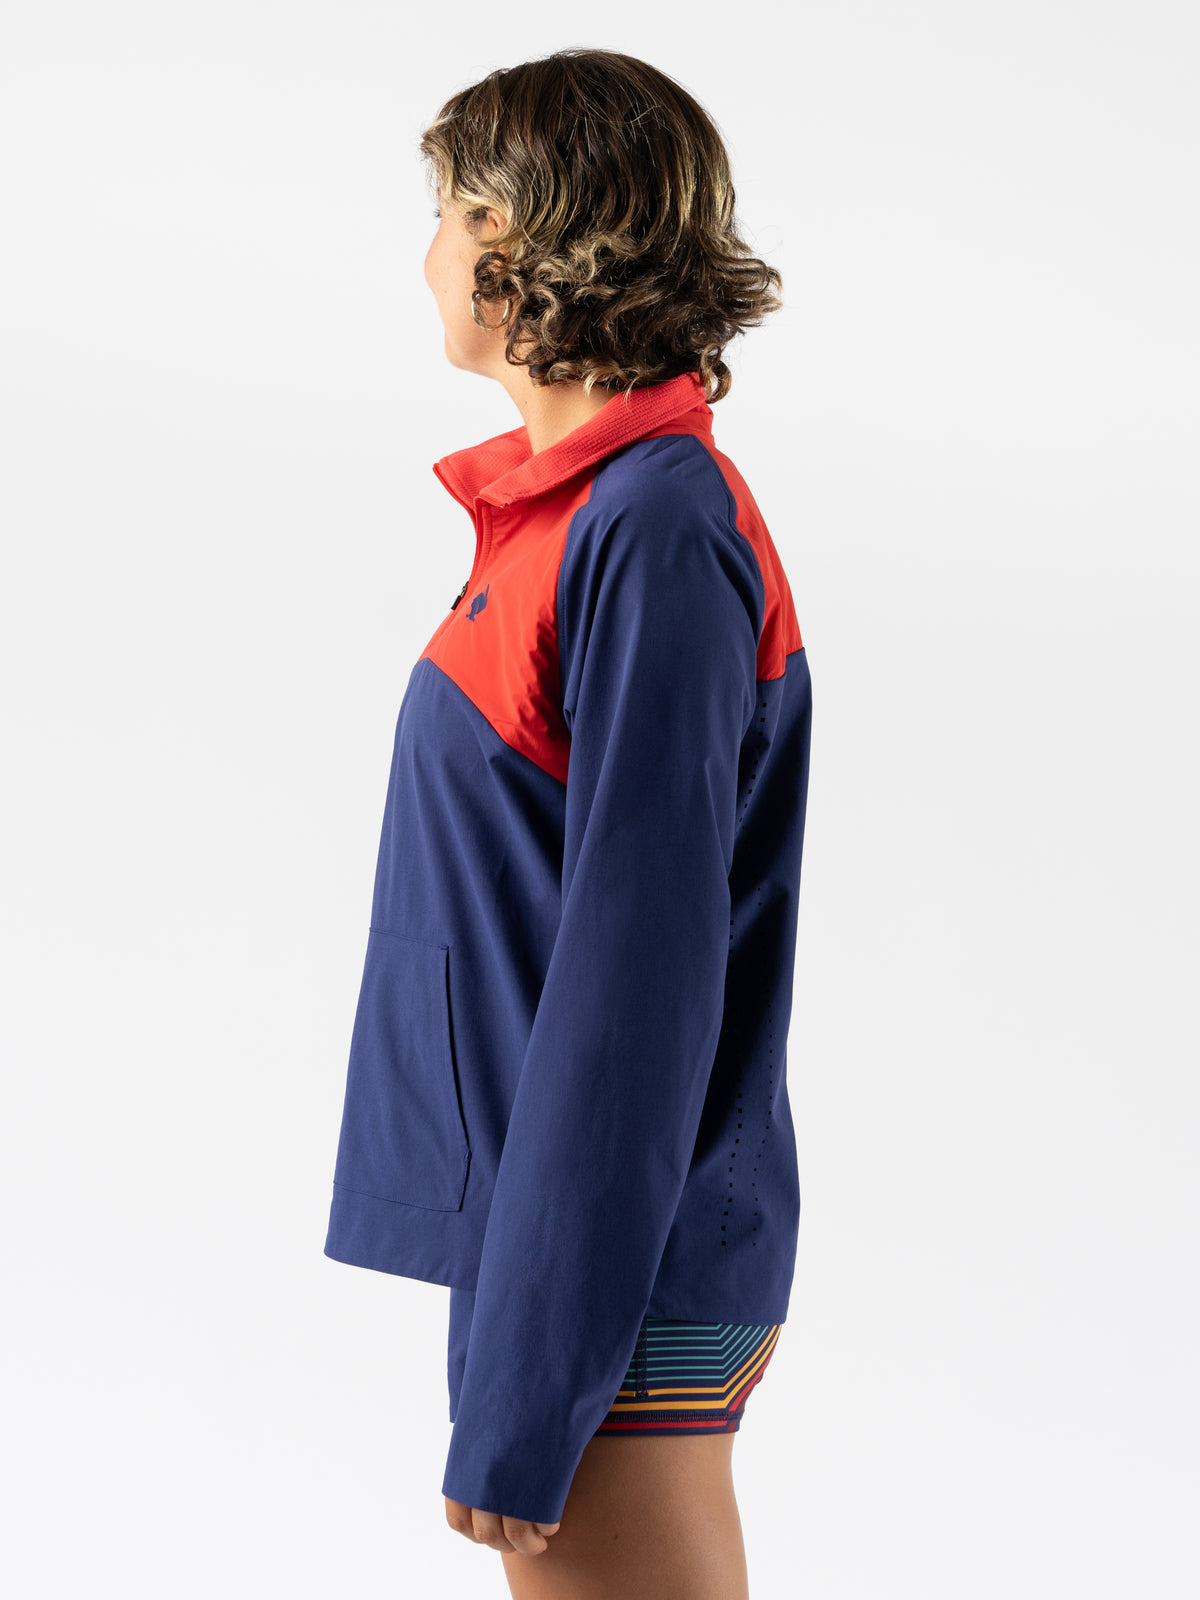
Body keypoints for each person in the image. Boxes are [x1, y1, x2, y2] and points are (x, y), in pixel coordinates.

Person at [323, 47, 813, 1599]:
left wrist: (540, 1370)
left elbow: (635, 990)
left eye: (446, 210)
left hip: (615, 1261)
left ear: (518, 234)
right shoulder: (570, 519)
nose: (427, 254)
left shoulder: (653, 526)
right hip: (562, 1234)